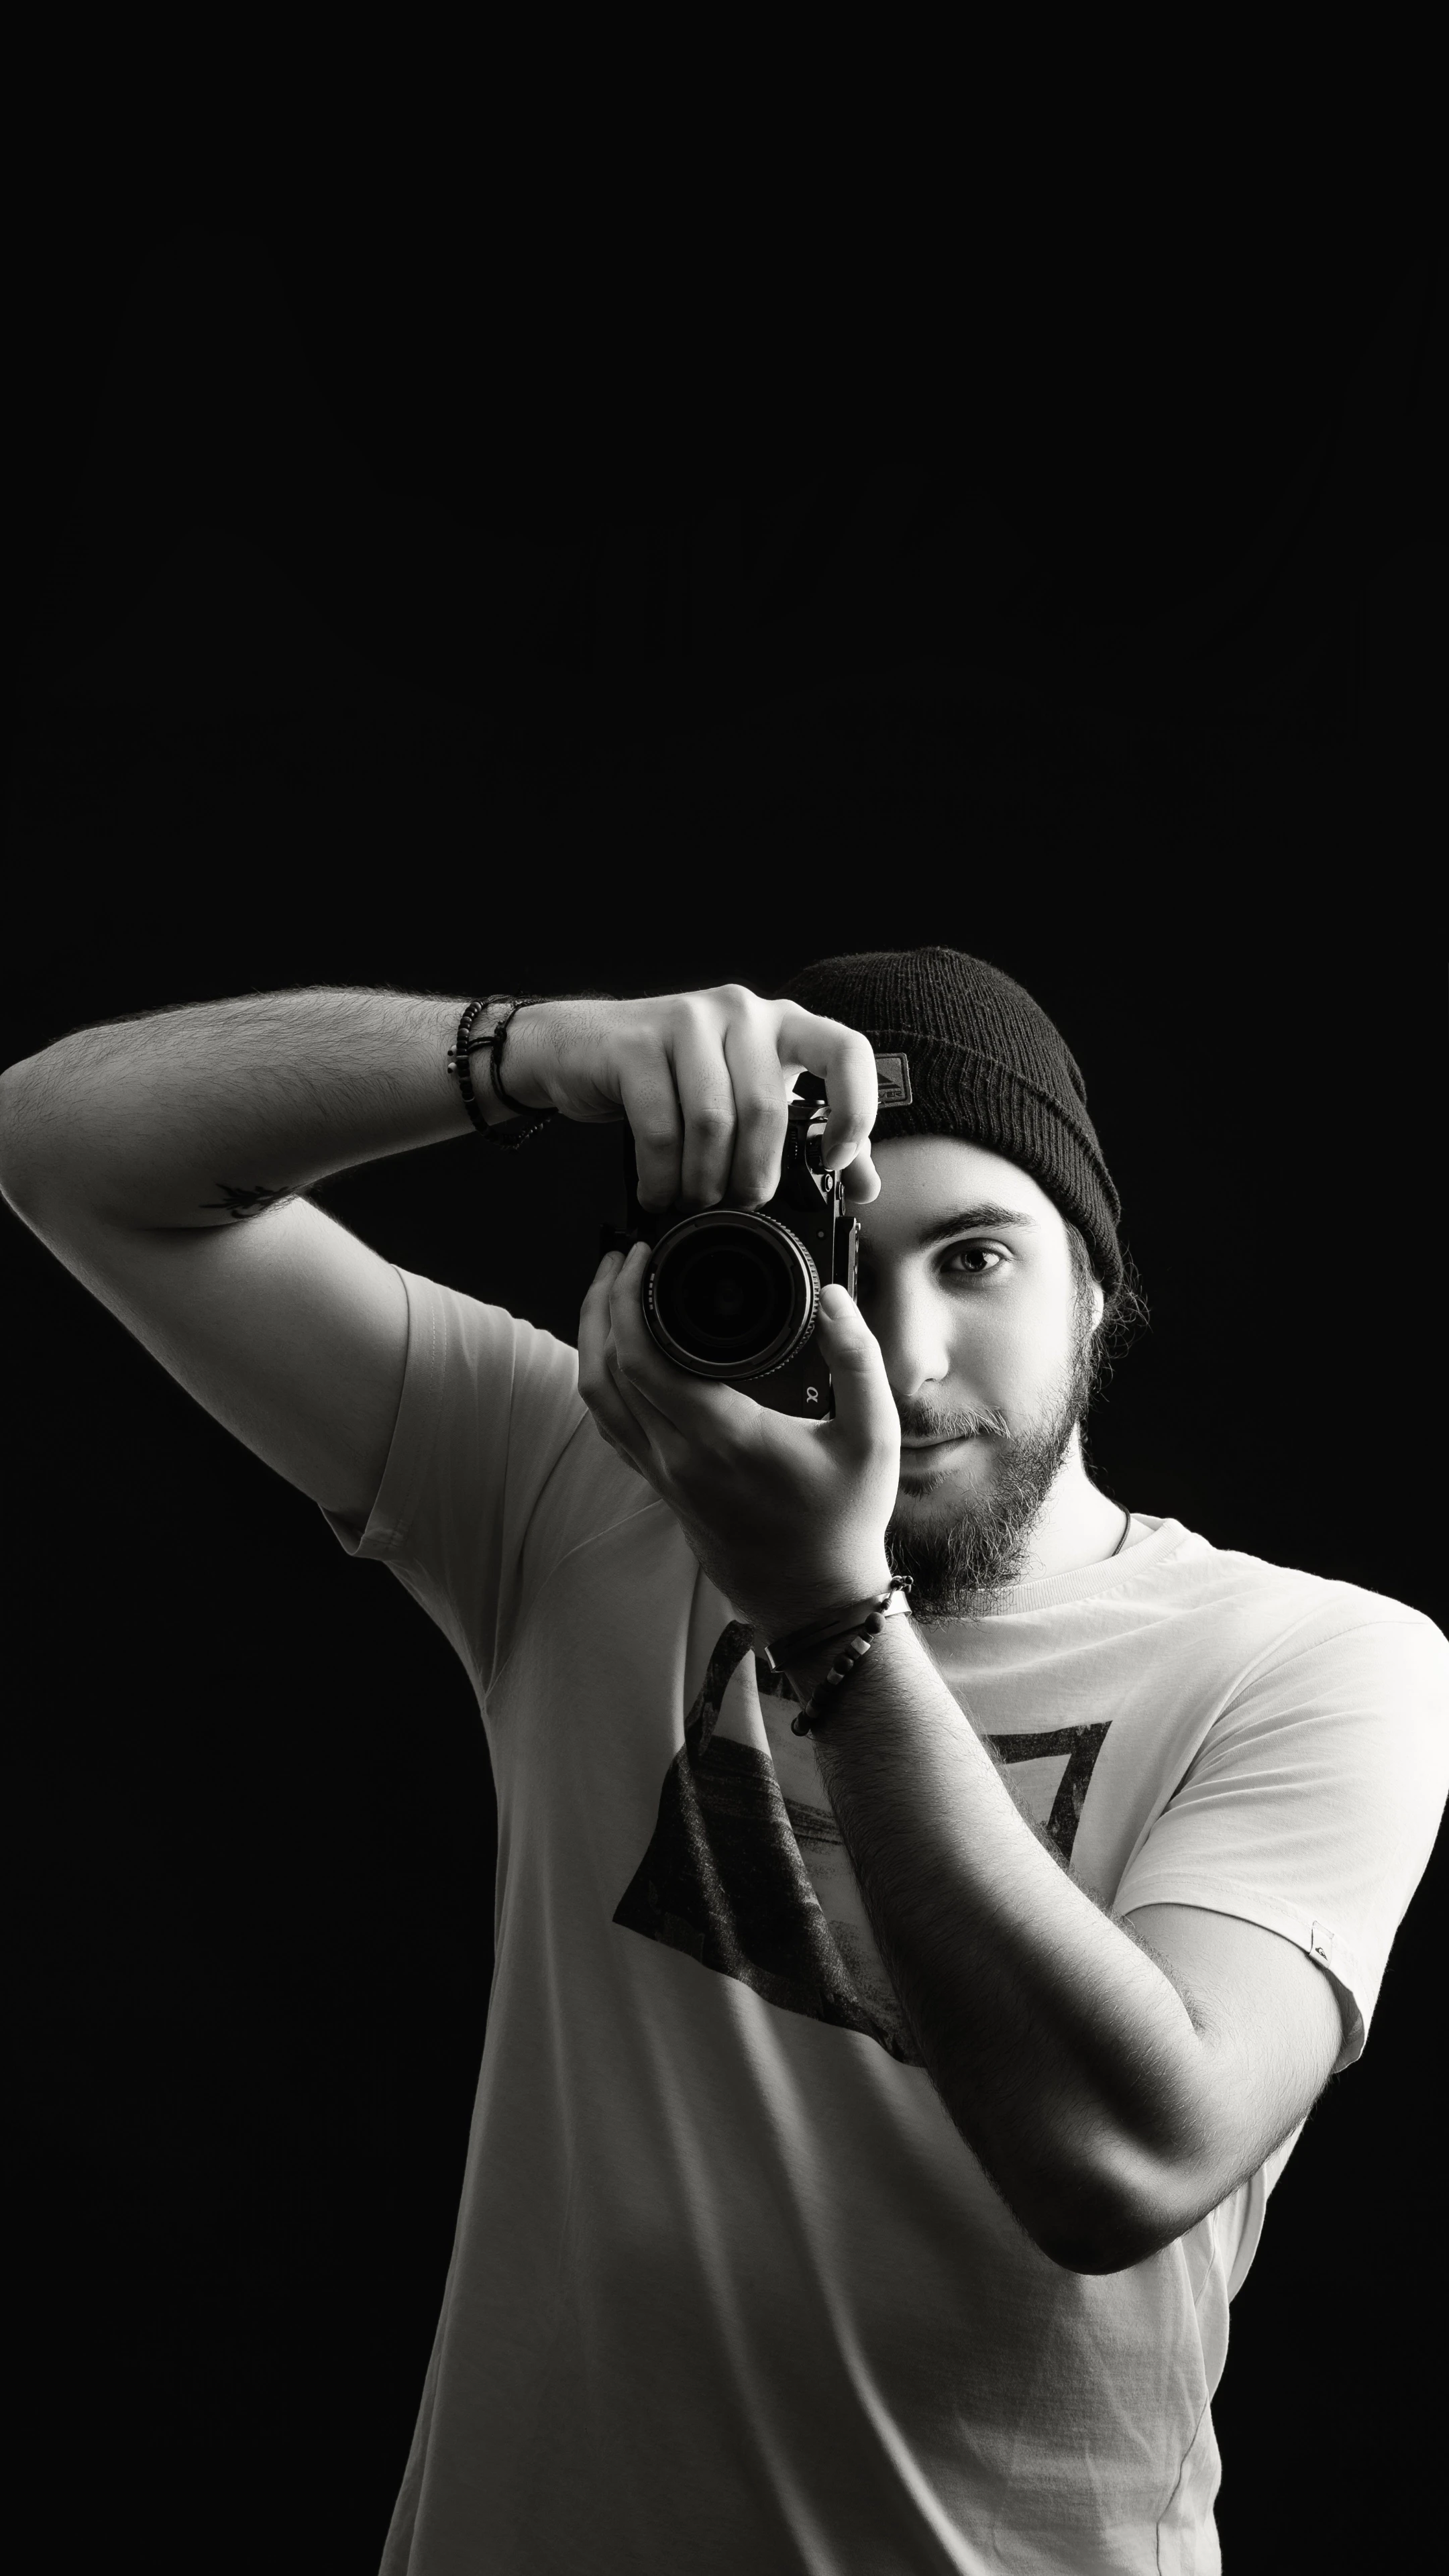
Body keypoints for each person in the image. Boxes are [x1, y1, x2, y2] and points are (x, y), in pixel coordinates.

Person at [2, 946, 1444, 2575]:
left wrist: (828, 1612)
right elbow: (64, 1144)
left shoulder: (1314, 1661)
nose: (901, 1360)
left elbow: (1128, 2161)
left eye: (977, 1257)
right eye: (838, 1262)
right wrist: (532, 1052)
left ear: (1096, 1290)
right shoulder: (582, 1488)